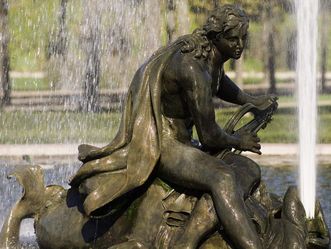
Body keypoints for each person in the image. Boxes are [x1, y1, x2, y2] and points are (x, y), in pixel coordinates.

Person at [70, 5, 276, 249]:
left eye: (243, 37)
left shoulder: (208, 56)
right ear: (216, 36)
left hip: (185, 143)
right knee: (222, 178)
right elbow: (209, 137)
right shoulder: (192, 69)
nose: (239, 45)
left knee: (249, 167)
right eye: (233, 39)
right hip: (165, 146)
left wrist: (250, 101)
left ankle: (210, 214)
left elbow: (219, 82)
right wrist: (237, 140)